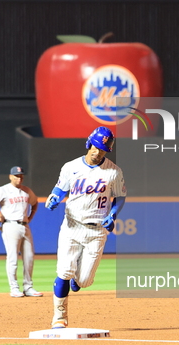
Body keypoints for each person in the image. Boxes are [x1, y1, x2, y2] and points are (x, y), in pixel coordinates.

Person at [45, 126, 126, 329]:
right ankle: (59, 317)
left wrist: (113, 214)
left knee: (85, 281)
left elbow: (121, 196)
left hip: (97, 230)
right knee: (64, 271)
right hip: (72, 226)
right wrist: (54, 197)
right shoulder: (70, 167)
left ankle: (77, 280)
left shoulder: (113, 172)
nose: (98, 152)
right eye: (96, 147)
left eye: (103, 149)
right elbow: (59, 188)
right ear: (89, 144)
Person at [0, 166, 42, 298]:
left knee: (29, 257)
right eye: (16, 176)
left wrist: (31, 216)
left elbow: (35, 202)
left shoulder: (26, 191)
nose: (19, 178)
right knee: (13, 258)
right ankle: (14, 288)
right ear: (10, 176)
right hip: (10, 225)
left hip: (25, 226)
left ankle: (28, 287)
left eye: (21, 176)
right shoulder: (3, 190)